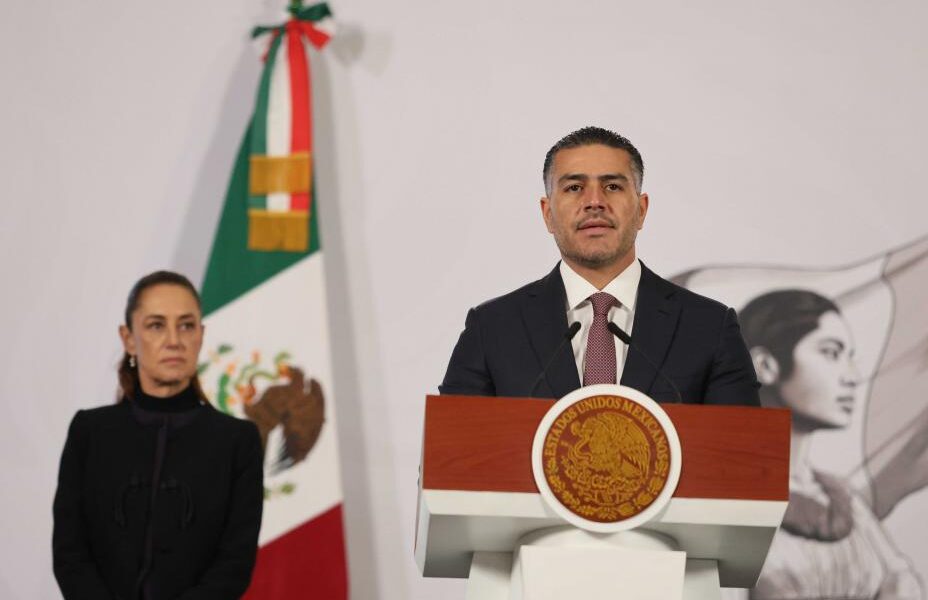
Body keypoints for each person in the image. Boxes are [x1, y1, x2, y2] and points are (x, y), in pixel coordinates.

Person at [440, 126, 760, 405]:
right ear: (548, 214)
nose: (594, 202)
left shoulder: (709, 328)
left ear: (641, 210)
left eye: (612, 186)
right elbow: (451, 450)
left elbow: (742, 451)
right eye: (574, 188)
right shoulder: (493, 329)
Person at [53, 271, 264, 600]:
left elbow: (234, 565)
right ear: (128, 339)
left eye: (186, 325)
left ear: (201, 335)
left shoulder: (238, 441)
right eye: (156, 325)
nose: (174, 340)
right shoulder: (89, 433)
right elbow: (70, 554)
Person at [741, 289, 923, 600]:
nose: (852, 376)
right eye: (831, 353)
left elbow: (902, 583)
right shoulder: (722, 493)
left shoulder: (843, 498)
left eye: (850, 357)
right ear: (765, 365)